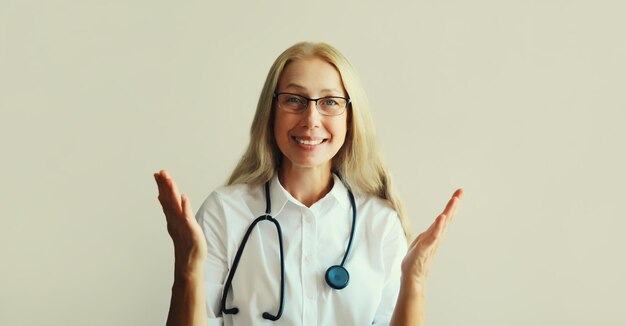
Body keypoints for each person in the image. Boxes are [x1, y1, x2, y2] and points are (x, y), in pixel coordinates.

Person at [154, 42, 463, 325]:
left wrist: (416, 277)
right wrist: (187, 266)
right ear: (271, 111)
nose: (311, 119)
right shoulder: (225, 212)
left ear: (350, 118)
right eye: (294, 100)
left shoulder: (379, 222)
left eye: (329, 102)